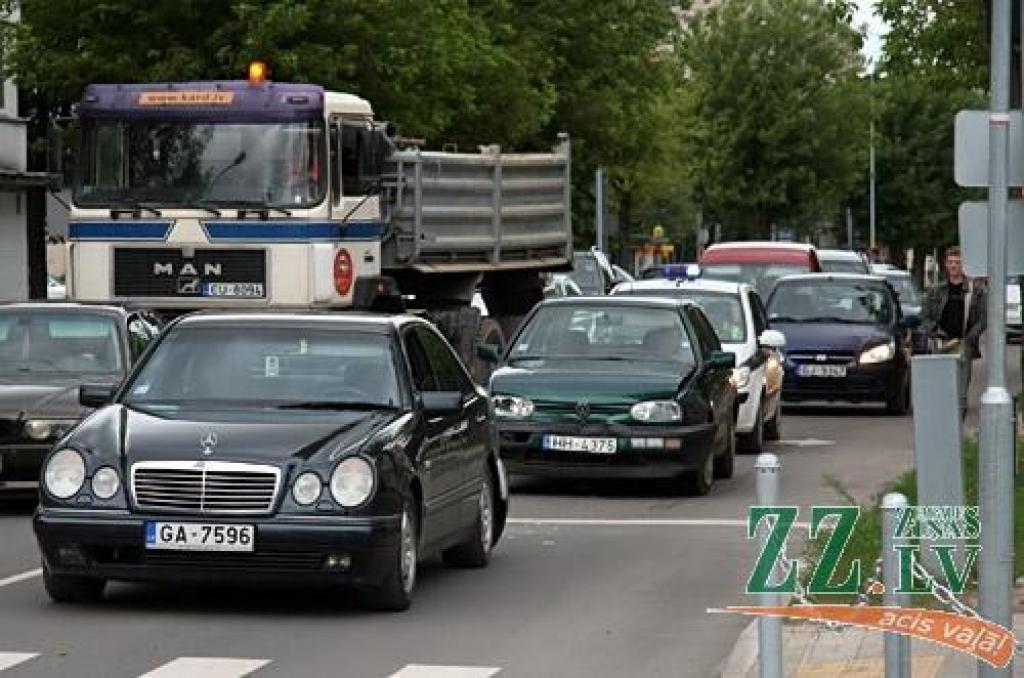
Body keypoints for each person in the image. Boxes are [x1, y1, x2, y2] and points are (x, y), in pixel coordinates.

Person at [921, 247, 987, 412]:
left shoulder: (975, 291)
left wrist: (972, 336)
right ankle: (944, 427)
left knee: (961, 394)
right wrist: (934, 330)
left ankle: (958, 427)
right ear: (945, 264)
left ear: (963, 265)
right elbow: (925, 316)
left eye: (957, 263)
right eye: (950, 262)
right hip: (941, 343)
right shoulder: (936, 290)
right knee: (942, 390)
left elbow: (983, 318)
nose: (953, 266)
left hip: (963, 343)